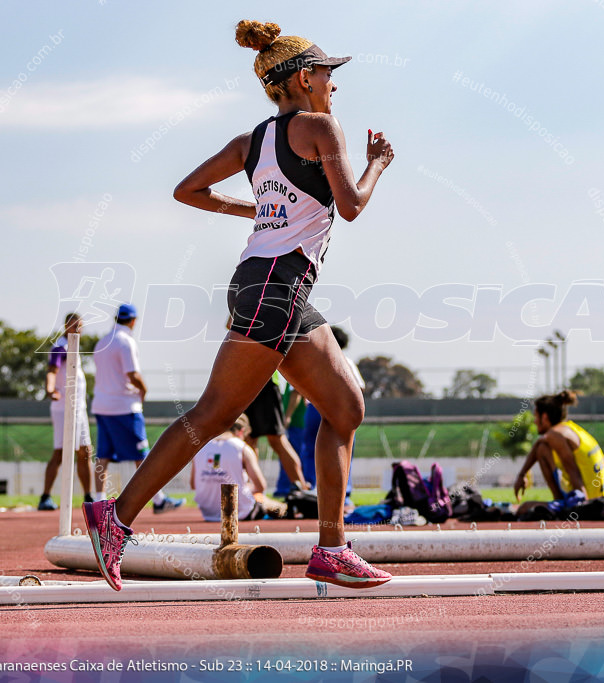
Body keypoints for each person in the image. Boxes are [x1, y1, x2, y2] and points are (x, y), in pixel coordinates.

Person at [83, 19, 394, 591]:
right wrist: (378, 162)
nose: (334, 84)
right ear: (304, 78)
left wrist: (251, 212)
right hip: (277, 285)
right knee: (213, 415)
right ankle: (116, 519)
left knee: (345, 407)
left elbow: (187, 190)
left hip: (271, 284)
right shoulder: (323, 126)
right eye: (328, 73)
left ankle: (332, 547)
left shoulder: (250, 143)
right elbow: (349, 207)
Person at [91, 303, 182, 513]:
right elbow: (133, 374)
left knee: (103, 456)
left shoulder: (102, 342)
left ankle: (99, 501)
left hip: (102, 405)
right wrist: (144, 391)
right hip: (124, 406)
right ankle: (158, 500)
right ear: (133, 321)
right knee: (142, 454)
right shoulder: (126, 342)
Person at [277, 326, 360, 513]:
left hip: (317, 407)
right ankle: (343, 496)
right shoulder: (348, 362)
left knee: (310, 450)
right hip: (342, 408)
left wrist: (288, 415)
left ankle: (312, 490)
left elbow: (297, 390)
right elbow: (359, 388)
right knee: (344, 451)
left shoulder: (317, 360)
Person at [513, 391, 604, 516]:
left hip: (588, 502)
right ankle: (559, 501)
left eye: (536, 416)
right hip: (600, 498)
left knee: (524, 509)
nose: (535, 422)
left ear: (545, 417)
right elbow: (539, 445)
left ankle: (562, 506)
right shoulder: (569, 429)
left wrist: (580, 509)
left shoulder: (555, 435)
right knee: (542, 448)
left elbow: (574, 473)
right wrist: (522, 474)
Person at [39, 312, 94, 510]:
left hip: (79, 409)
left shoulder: (75, 348)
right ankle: (45, 497)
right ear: (66, 326)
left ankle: (89, 498)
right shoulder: (60, 348)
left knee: (85, 451)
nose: (77, 329)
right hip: (63, 409)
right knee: (60, 453)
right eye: (74, 326)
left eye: (80, 326)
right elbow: (51, 371)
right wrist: (50, 390)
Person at [190, 414, 286, 521]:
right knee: (269, 502)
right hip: (238, 511)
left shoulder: (201, 446)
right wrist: (243, 487)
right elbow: (261, 486)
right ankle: (289, 510)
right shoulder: (242, 447)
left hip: (208, 512)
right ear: (241, 431)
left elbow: (194, 485)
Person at [243, 371, 309, 490]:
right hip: (244, 382)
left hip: (265, 379)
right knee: (249, 439)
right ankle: (253, 493)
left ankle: (301, 490)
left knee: (277, 440)